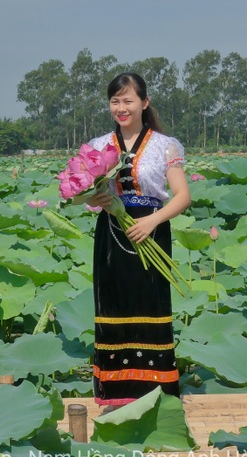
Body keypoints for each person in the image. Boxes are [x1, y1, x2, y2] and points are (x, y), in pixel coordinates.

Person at [86, 72, 191, 408]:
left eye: (128, 100)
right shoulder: (98, 146)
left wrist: (152, 221)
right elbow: (87, 198)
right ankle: (113, 396)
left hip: (153, 230)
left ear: (144, 103)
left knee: (150, 307)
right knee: (113, 306)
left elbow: (182, 196)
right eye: (115, 101)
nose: (121, 107)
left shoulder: (166, 145)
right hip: (112, 234)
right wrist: (95, 200)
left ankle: (156, 395)